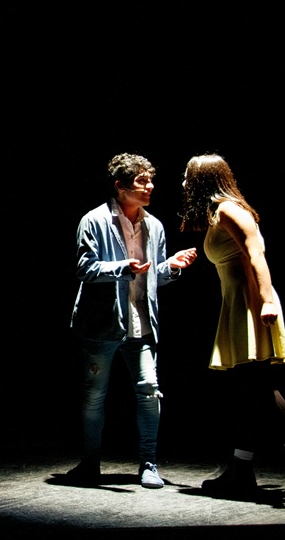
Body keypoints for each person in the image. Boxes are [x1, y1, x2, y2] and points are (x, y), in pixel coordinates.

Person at [179, 153, 285, 500]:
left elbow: (255, 253)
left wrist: (266, 301)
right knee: (246, 387)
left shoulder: (230, 210)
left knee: (257, 384)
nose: (184, 183)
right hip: (237, 304)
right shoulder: (218, 213)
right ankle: (241, 469)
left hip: (251, 305)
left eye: (188, 177)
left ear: (204, 180)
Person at [65, 153, 197, 489]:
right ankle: (90, 462)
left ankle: (149, 464)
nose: (150, 186)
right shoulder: (94, 220)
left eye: (151, 180)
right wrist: (122, 268)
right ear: (120, 186)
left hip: (141, 324)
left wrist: (172, 266)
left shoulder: (154, 226)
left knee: (149, 390)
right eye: (142, 181)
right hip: (102, 325)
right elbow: (84, 268)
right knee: (95, 395)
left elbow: (155, 277)